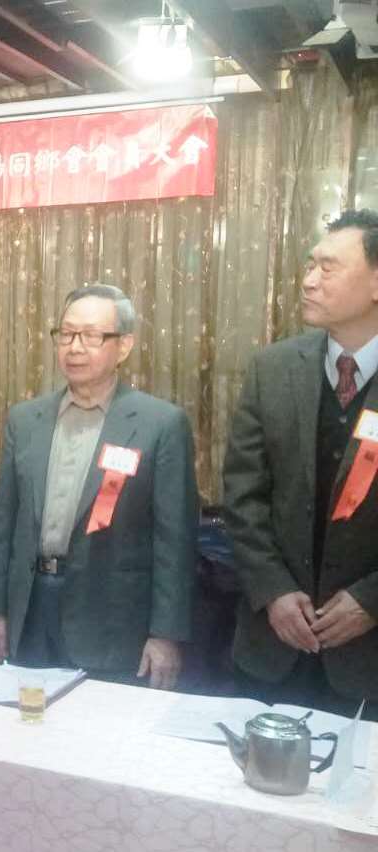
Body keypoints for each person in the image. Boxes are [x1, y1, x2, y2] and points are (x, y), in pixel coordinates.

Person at [0, 284, 198, 689]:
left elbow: (175, 542)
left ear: (124, 346)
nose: (75, 347)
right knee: (27, 721)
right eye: (66, 334)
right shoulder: (25, 420)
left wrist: (165, 635)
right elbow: (4, 526)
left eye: (92, 336)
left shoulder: (159, 425)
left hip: (112, 622)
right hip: (31, 611)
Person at [224, 209, 378, 718]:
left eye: (328, 268)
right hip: (273, 648)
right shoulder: (272, 369)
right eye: (310, 266)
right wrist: (273, 590)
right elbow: (243, 497)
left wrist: (371, 600)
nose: (309, 281)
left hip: (368, 660)